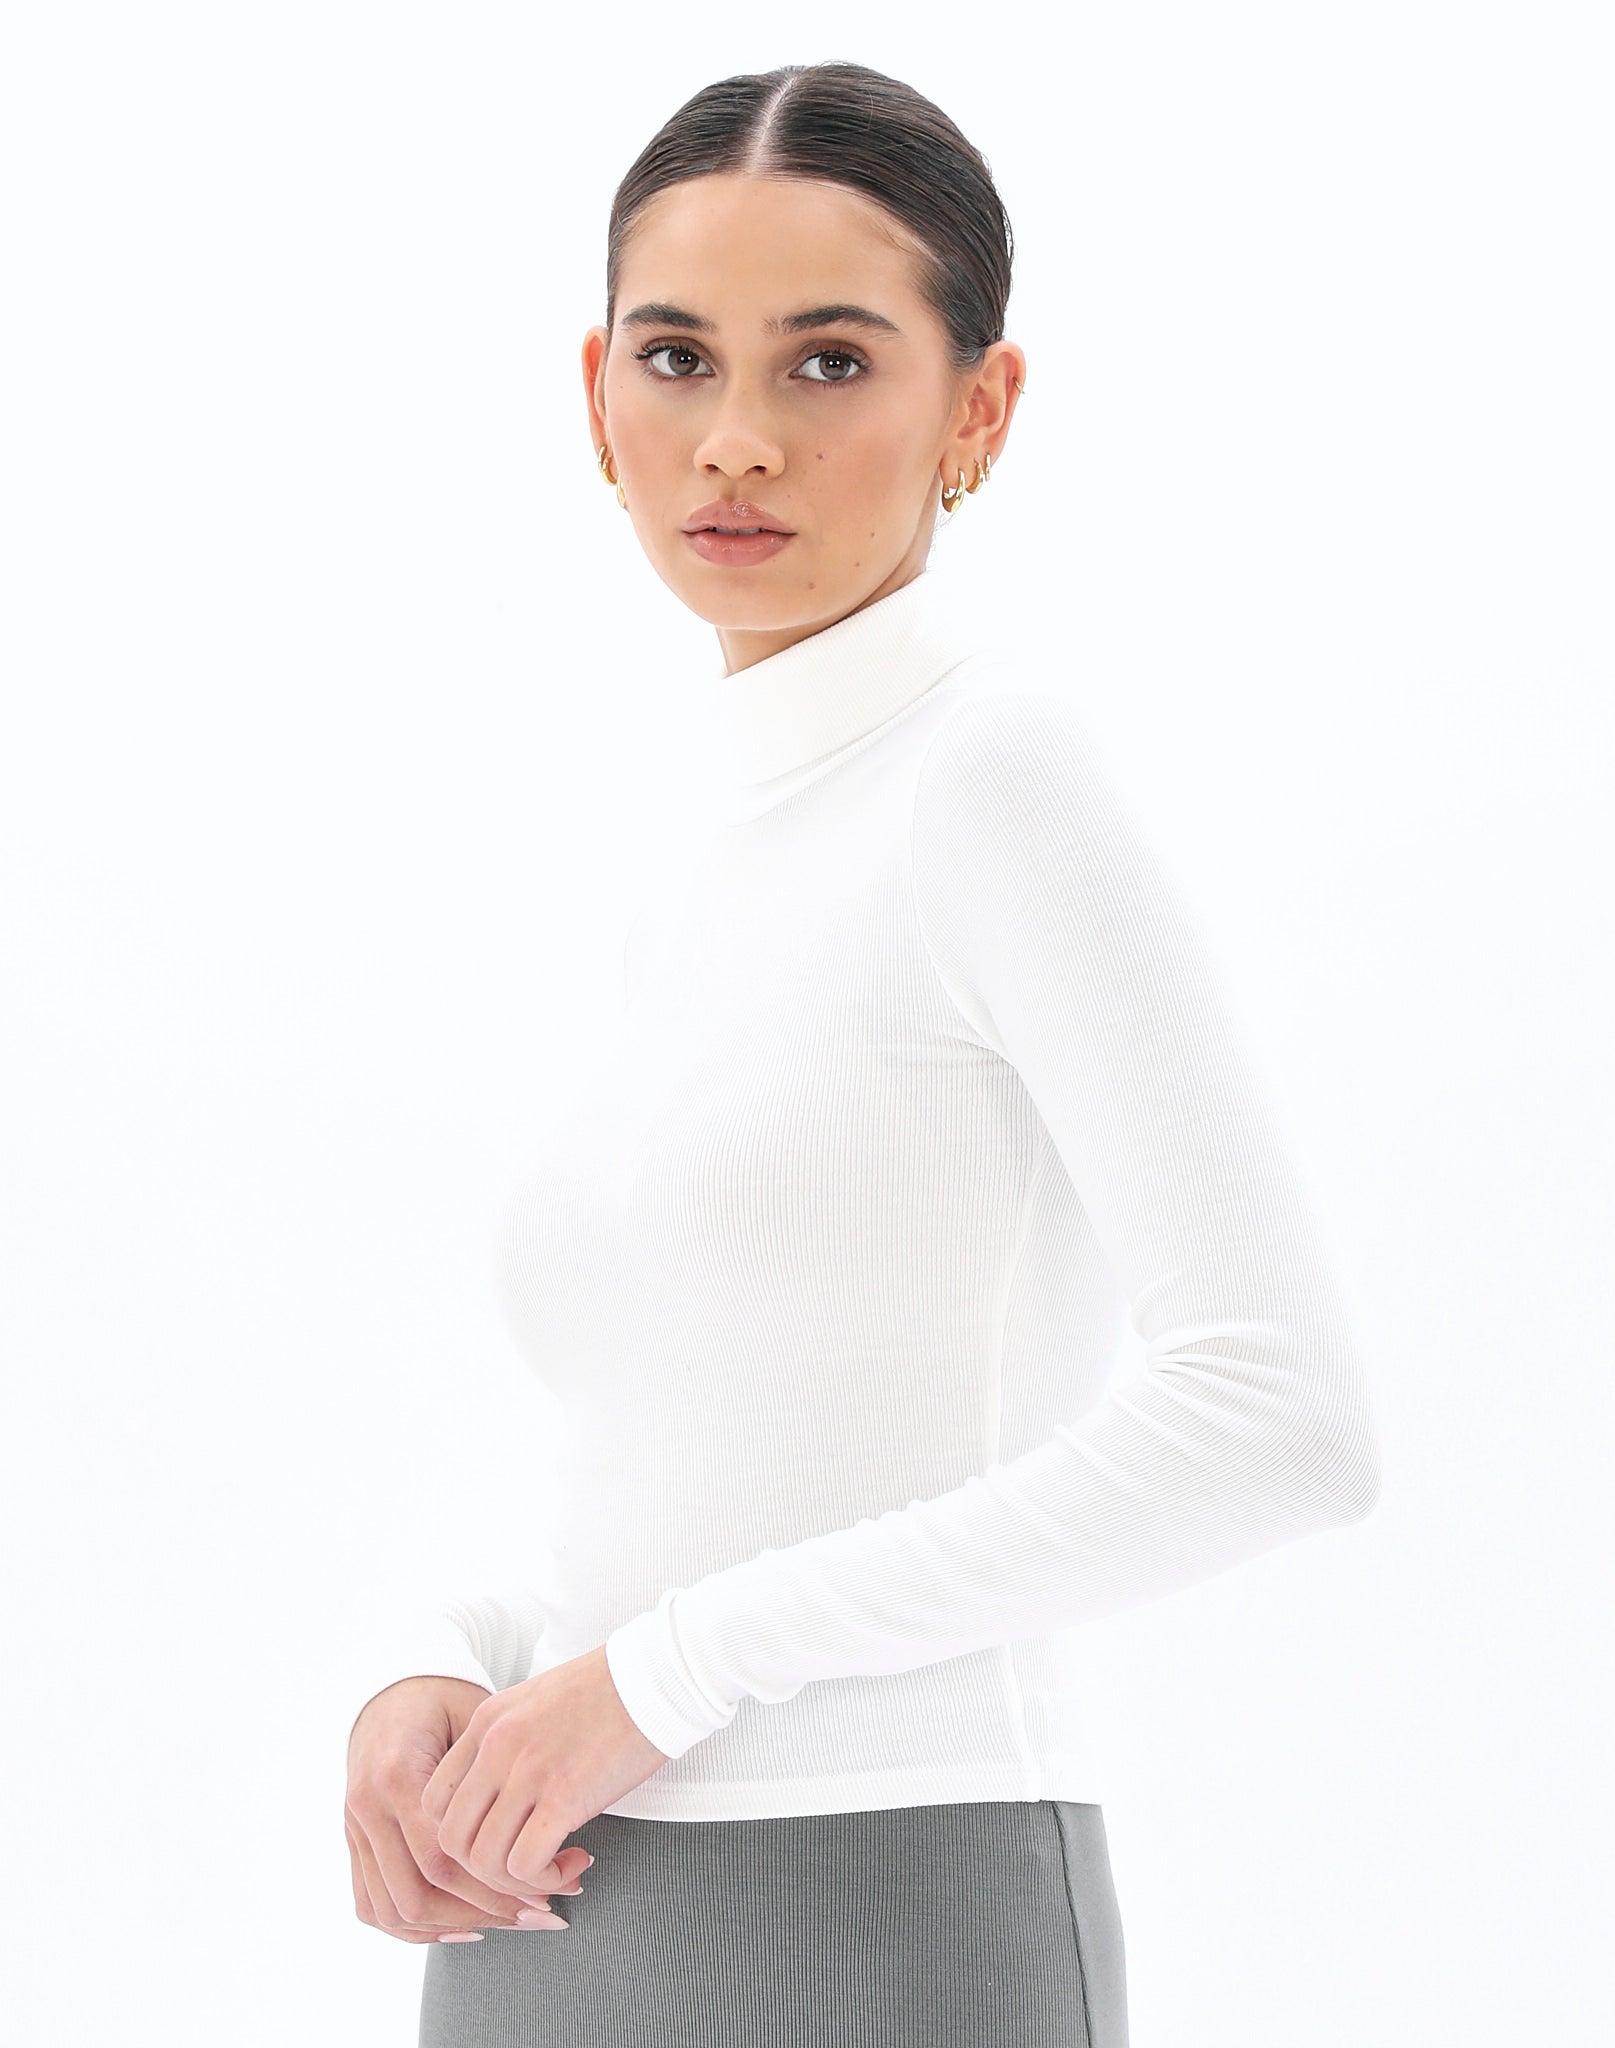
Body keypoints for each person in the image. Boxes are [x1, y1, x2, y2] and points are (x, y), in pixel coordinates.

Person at [342, 58, 1381, 2047]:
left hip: (880, 1893)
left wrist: (663, 1677)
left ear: (978, 410)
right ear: (596, 398)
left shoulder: (991, 778)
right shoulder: (690, 839)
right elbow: (658, 1424)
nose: (736, 438)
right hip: (538, 1911)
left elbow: (1283, 1416)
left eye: (829, 363)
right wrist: (441, 1656)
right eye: (678, 359)